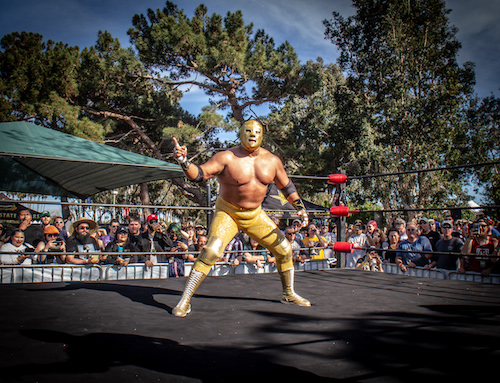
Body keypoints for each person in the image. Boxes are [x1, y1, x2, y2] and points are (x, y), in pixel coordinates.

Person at [171, 119, 310, 317]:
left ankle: (288, 293)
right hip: (228, 212)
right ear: (240, 132)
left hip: (255, 214)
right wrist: (184, 161)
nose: (253, 134)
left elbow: (287, 187)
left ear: (262, 135)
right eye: (248, 130)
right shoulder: (226, 157)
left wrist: (301, 208)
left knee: (284, 249)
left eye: (257, 131)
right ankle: (184, 300)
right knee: (211, 251)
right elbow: (199, 175)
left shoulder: (272, 161)